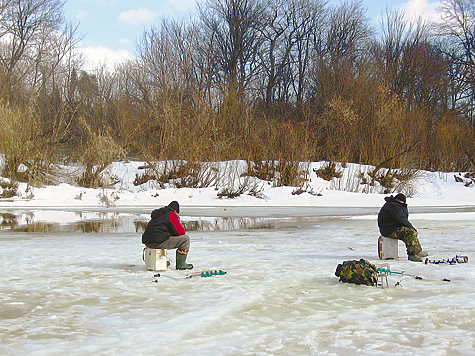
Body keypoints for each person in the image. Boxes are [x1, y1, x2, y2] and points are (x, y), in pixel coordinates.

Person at [142, 201, 193, 270]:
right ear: (175, 210)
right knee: (185, 239)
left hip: (148, 242)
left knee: (163, 237)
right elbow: (180, 232)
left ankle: (162, 262)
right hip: (158, 242)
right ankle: (181, 264)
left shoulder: (159, 214)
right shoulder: (171, 214)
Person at [377, 193, 428, 262]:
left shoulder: (394, 205)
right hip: (389, 230)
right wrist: (413, 229)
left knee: (409, 231)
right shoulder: (394, 206)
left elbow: (402, 219)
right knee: (410, 232)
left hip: (391, 228)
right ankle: (412, 255)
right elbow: (401, 220)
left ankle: (418, 251)